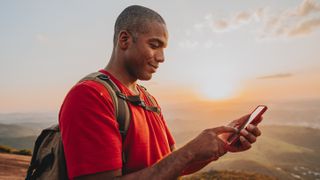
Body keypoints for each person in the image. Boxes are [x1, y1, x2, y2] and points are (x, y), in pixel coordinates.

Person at [59, 5, 263, 180]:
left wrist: (221, 143)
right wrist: (190, 150)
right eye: (154, 45)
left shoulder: (147, 99)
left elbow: (170, 165)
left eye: (163, 48)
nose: (162, 57)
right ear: (124, 40)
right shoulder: (90, 96)